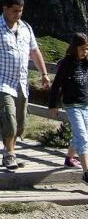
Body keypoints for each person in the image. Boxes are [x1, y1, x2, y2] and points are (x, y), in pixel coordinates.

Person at [0, 0, 50, 170]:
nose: (18, 14)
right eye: (15, 11)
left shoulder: (26, 28)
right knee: (8, 115)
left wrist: (44, 74)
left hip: (20, 82)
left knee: (20, 123)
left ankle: (10, 150)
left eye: (21, 11)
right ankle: (9, 154)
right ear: (5, 9)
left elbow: (34, 52)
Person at [48, 32, 88, 183]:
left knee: (81, 134)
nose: (85, 52)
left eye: (87, 49)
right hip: (72, 104)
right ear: (75, 48)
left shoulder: (86, 62)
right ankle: (86, 173)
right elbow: (56, 84)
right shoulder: (67, 63)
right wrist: (53, 104)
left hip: (85, 103)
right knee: (83, 137)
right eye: (82, 49)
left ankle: (69, 159)